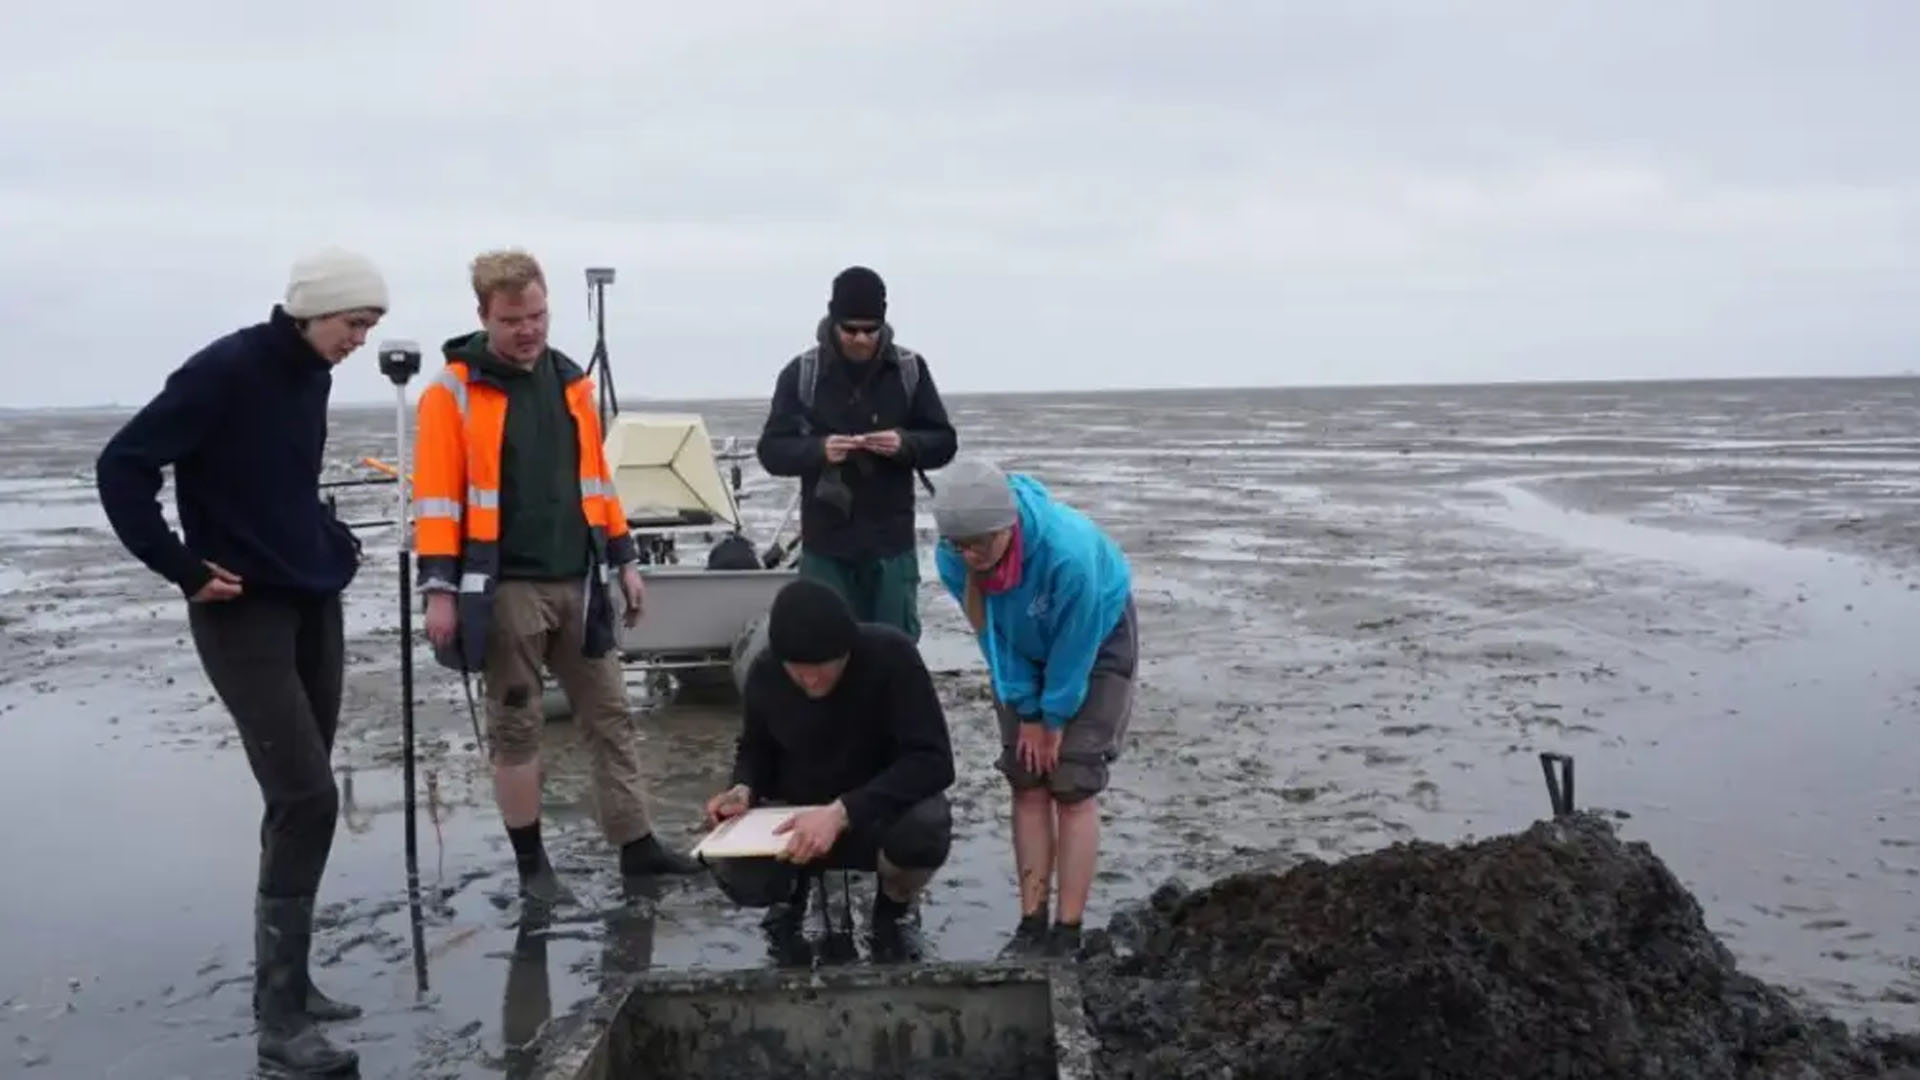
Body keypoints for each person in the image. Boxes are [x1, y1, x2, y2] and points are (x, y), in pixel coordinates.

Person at [94, 248, 391, 1076]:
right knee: (306, 795)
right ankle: (280, 1027)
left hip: (310, 601)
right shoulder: (224, 369)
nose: (361, 340)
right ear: (312, 310)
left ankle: (289, 987)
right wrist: (180, 566)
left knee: (301, 798)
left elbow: (281, 483)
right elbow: (122, 465)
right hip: (239, 609)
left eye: (370, 326)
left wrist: (328, 539)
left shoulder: (312, 375)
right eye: (354, 323)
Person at [412, 248, 699, 906]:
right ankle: (531, 866)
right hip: (505, 588)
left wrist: (626, 561)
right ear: (484, 316)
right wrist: (439, 594)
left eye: (538, 315)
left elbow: (597, 482)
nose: (529, 330)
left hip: (581, 582)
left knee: (612, 715)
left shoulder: (572, 383)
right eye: (513, 320)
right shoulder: (451, 393)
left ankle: (637, 848)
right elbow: (436, 501)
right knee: (517, 727)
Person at [930, 458, 1139, 959]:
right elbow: (991, 635)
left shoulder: (1068, 553)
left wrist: (1055, 717)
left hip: (1096, 640)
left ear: (1007, 527)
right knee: (1027, 778)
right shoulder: (952, 558)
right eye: (959, 545)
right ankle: (1031, 922)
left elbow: (1076, 644)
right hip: (1016, 647)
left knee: (1072, 782)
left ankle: (1068, 930)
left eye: (980, 544)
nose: (970, 555)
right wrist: (1026, 710)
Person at [704, 578, 956, 961]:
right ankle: (788, 897)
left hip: (876, 812)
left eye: (822, 668)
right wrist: (742, 788)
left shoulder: (892, 657)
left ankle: (895, 904)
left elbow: (934, 761)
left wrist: (843, 812)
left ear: (847, 652)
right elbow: (755, 748)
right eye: (798, 670)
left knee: (927, 826)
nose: (810, 680)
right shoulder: (766, 672)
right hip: (798, 818)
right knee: (732, 864)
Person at [755, 265, 958, 642]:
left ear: (883, 322)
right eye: (851, 329)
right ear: (833, 321)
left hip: (891, 545)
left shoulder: (909, 370)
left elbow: (944, 442)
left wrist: (904, 445)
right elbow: (771, 451)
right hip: (826, 546)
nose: (861, 339)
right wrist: (818, 450)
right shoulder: (801, 374)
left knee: (893, 648)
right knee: (822, 646)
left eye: (870, 329)